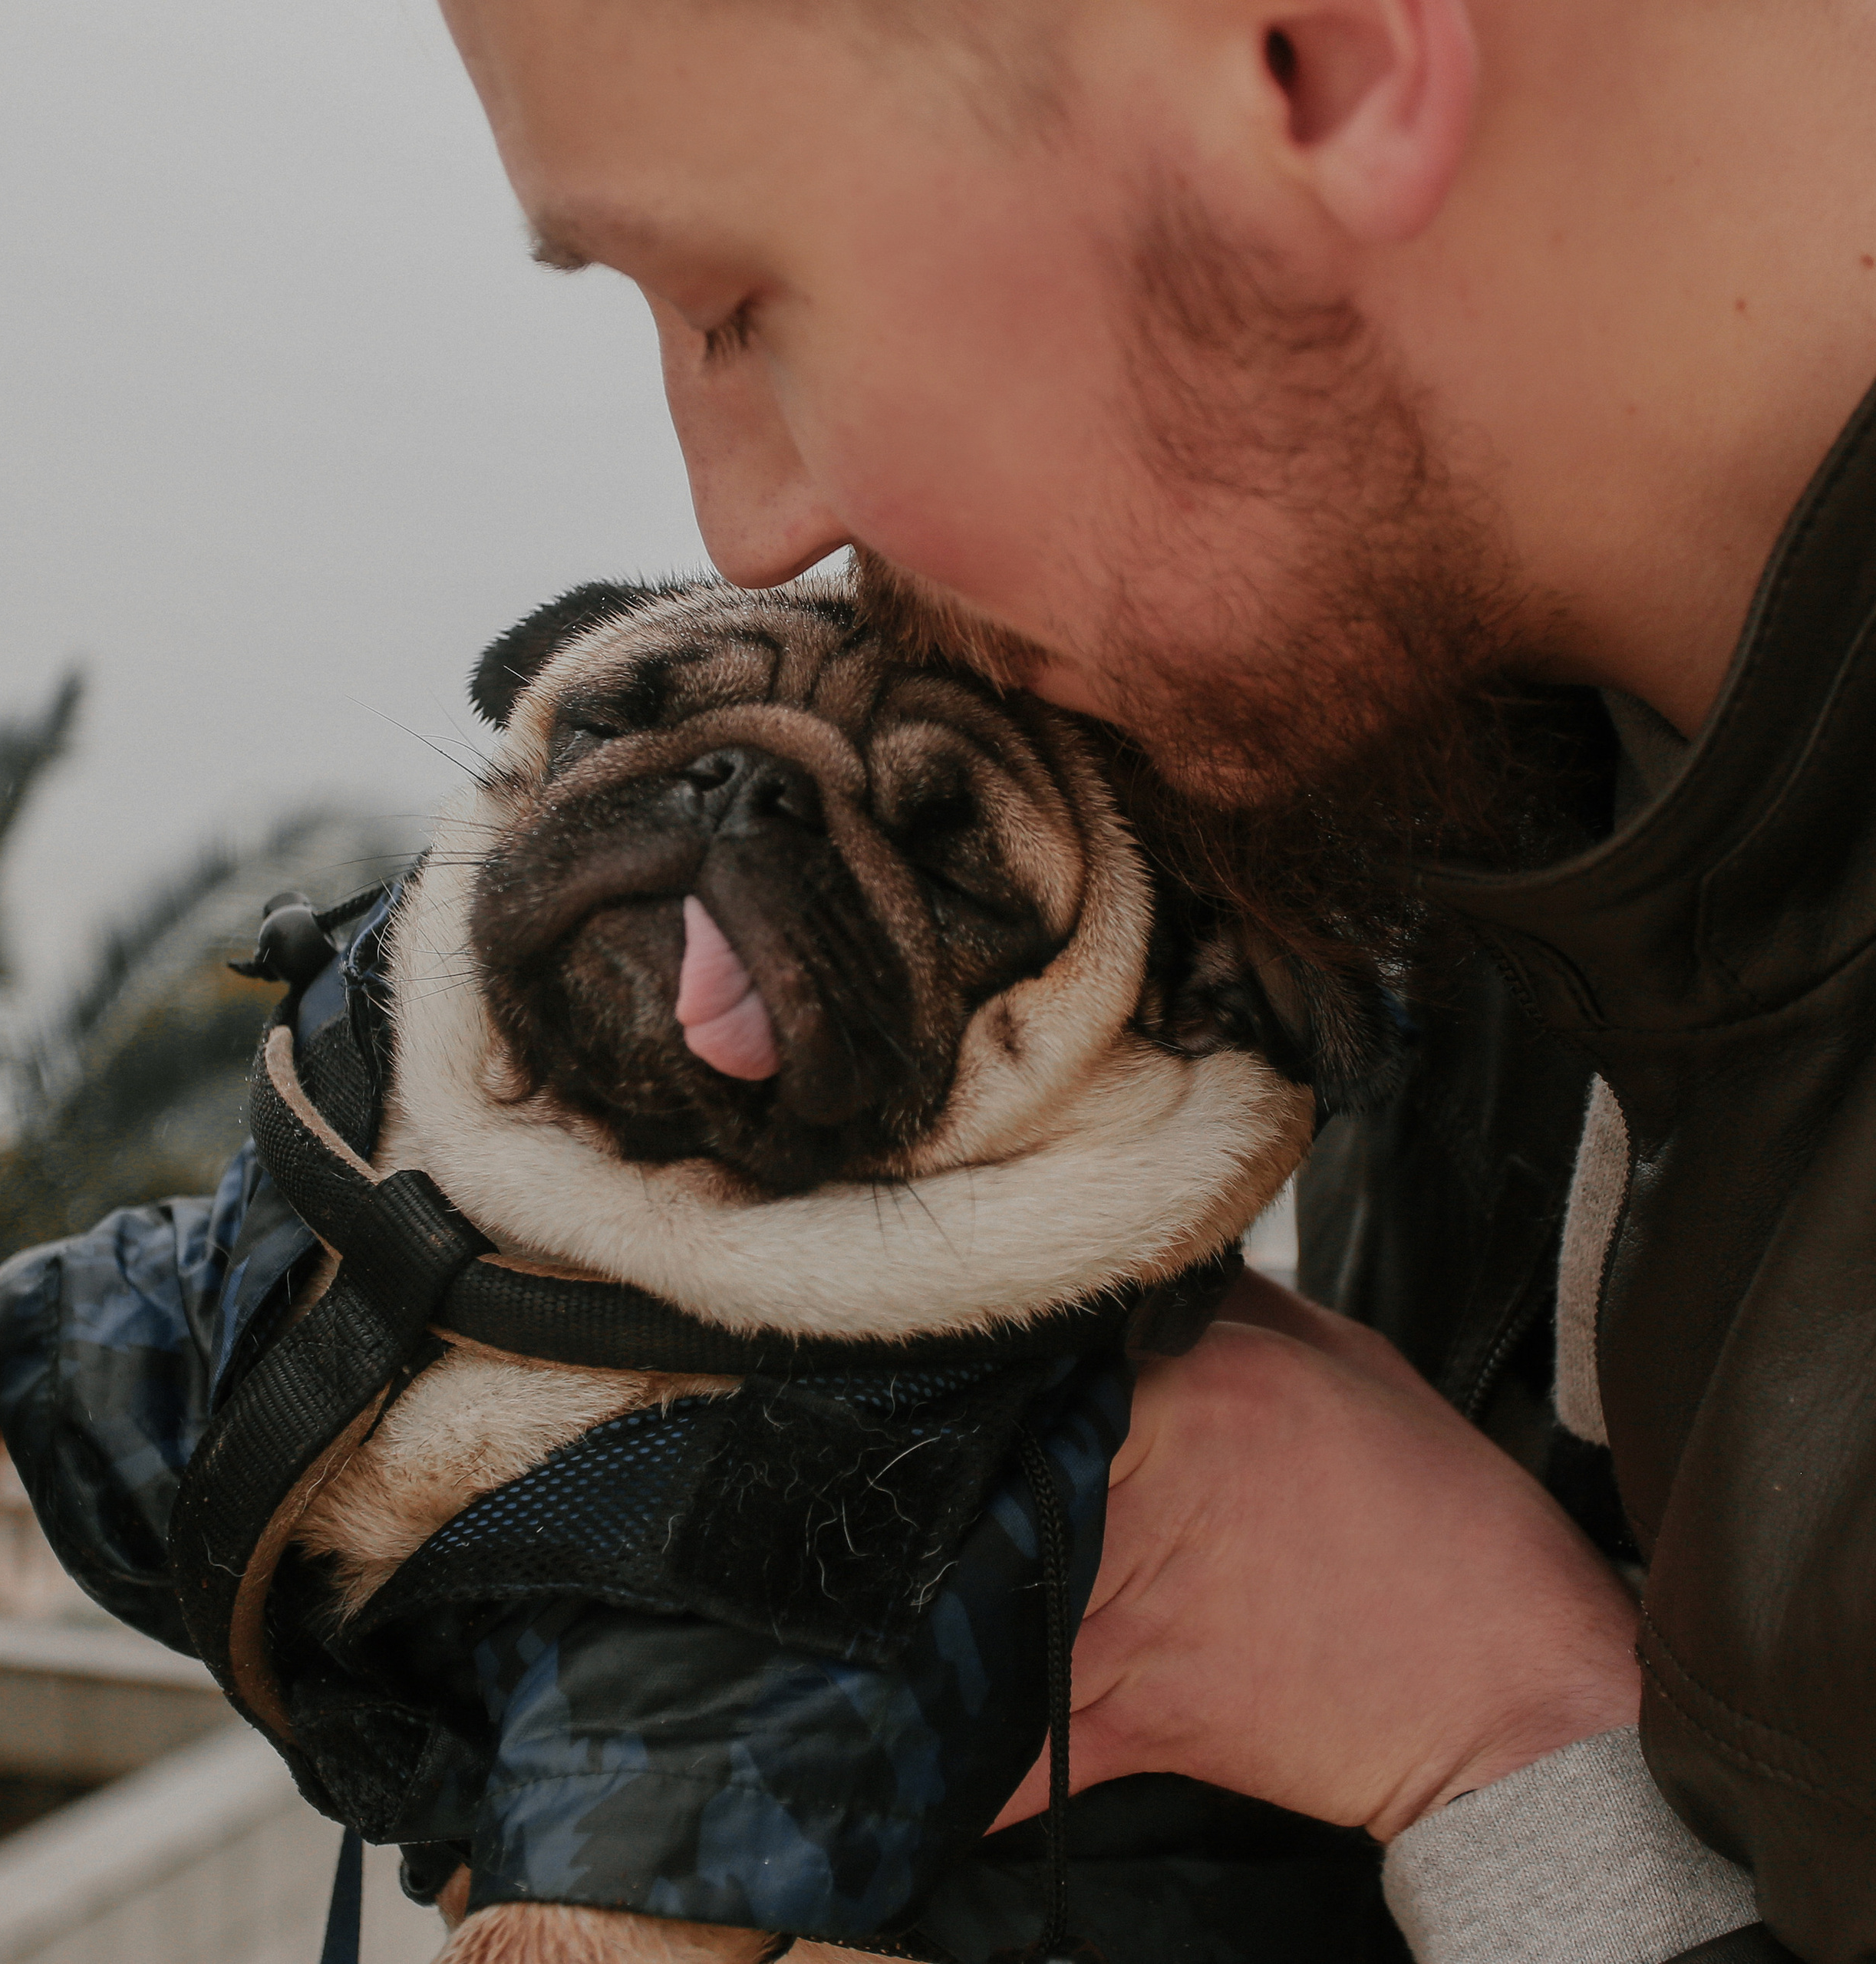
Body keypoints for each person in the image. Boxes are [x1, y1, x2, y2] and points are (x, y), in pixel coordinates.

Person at [424, 3, 1876, 1961]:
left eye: (738, 302)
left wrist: (1498, 1732)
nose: (748, 526)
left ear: (1320, 58)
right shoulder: (1405, 796)